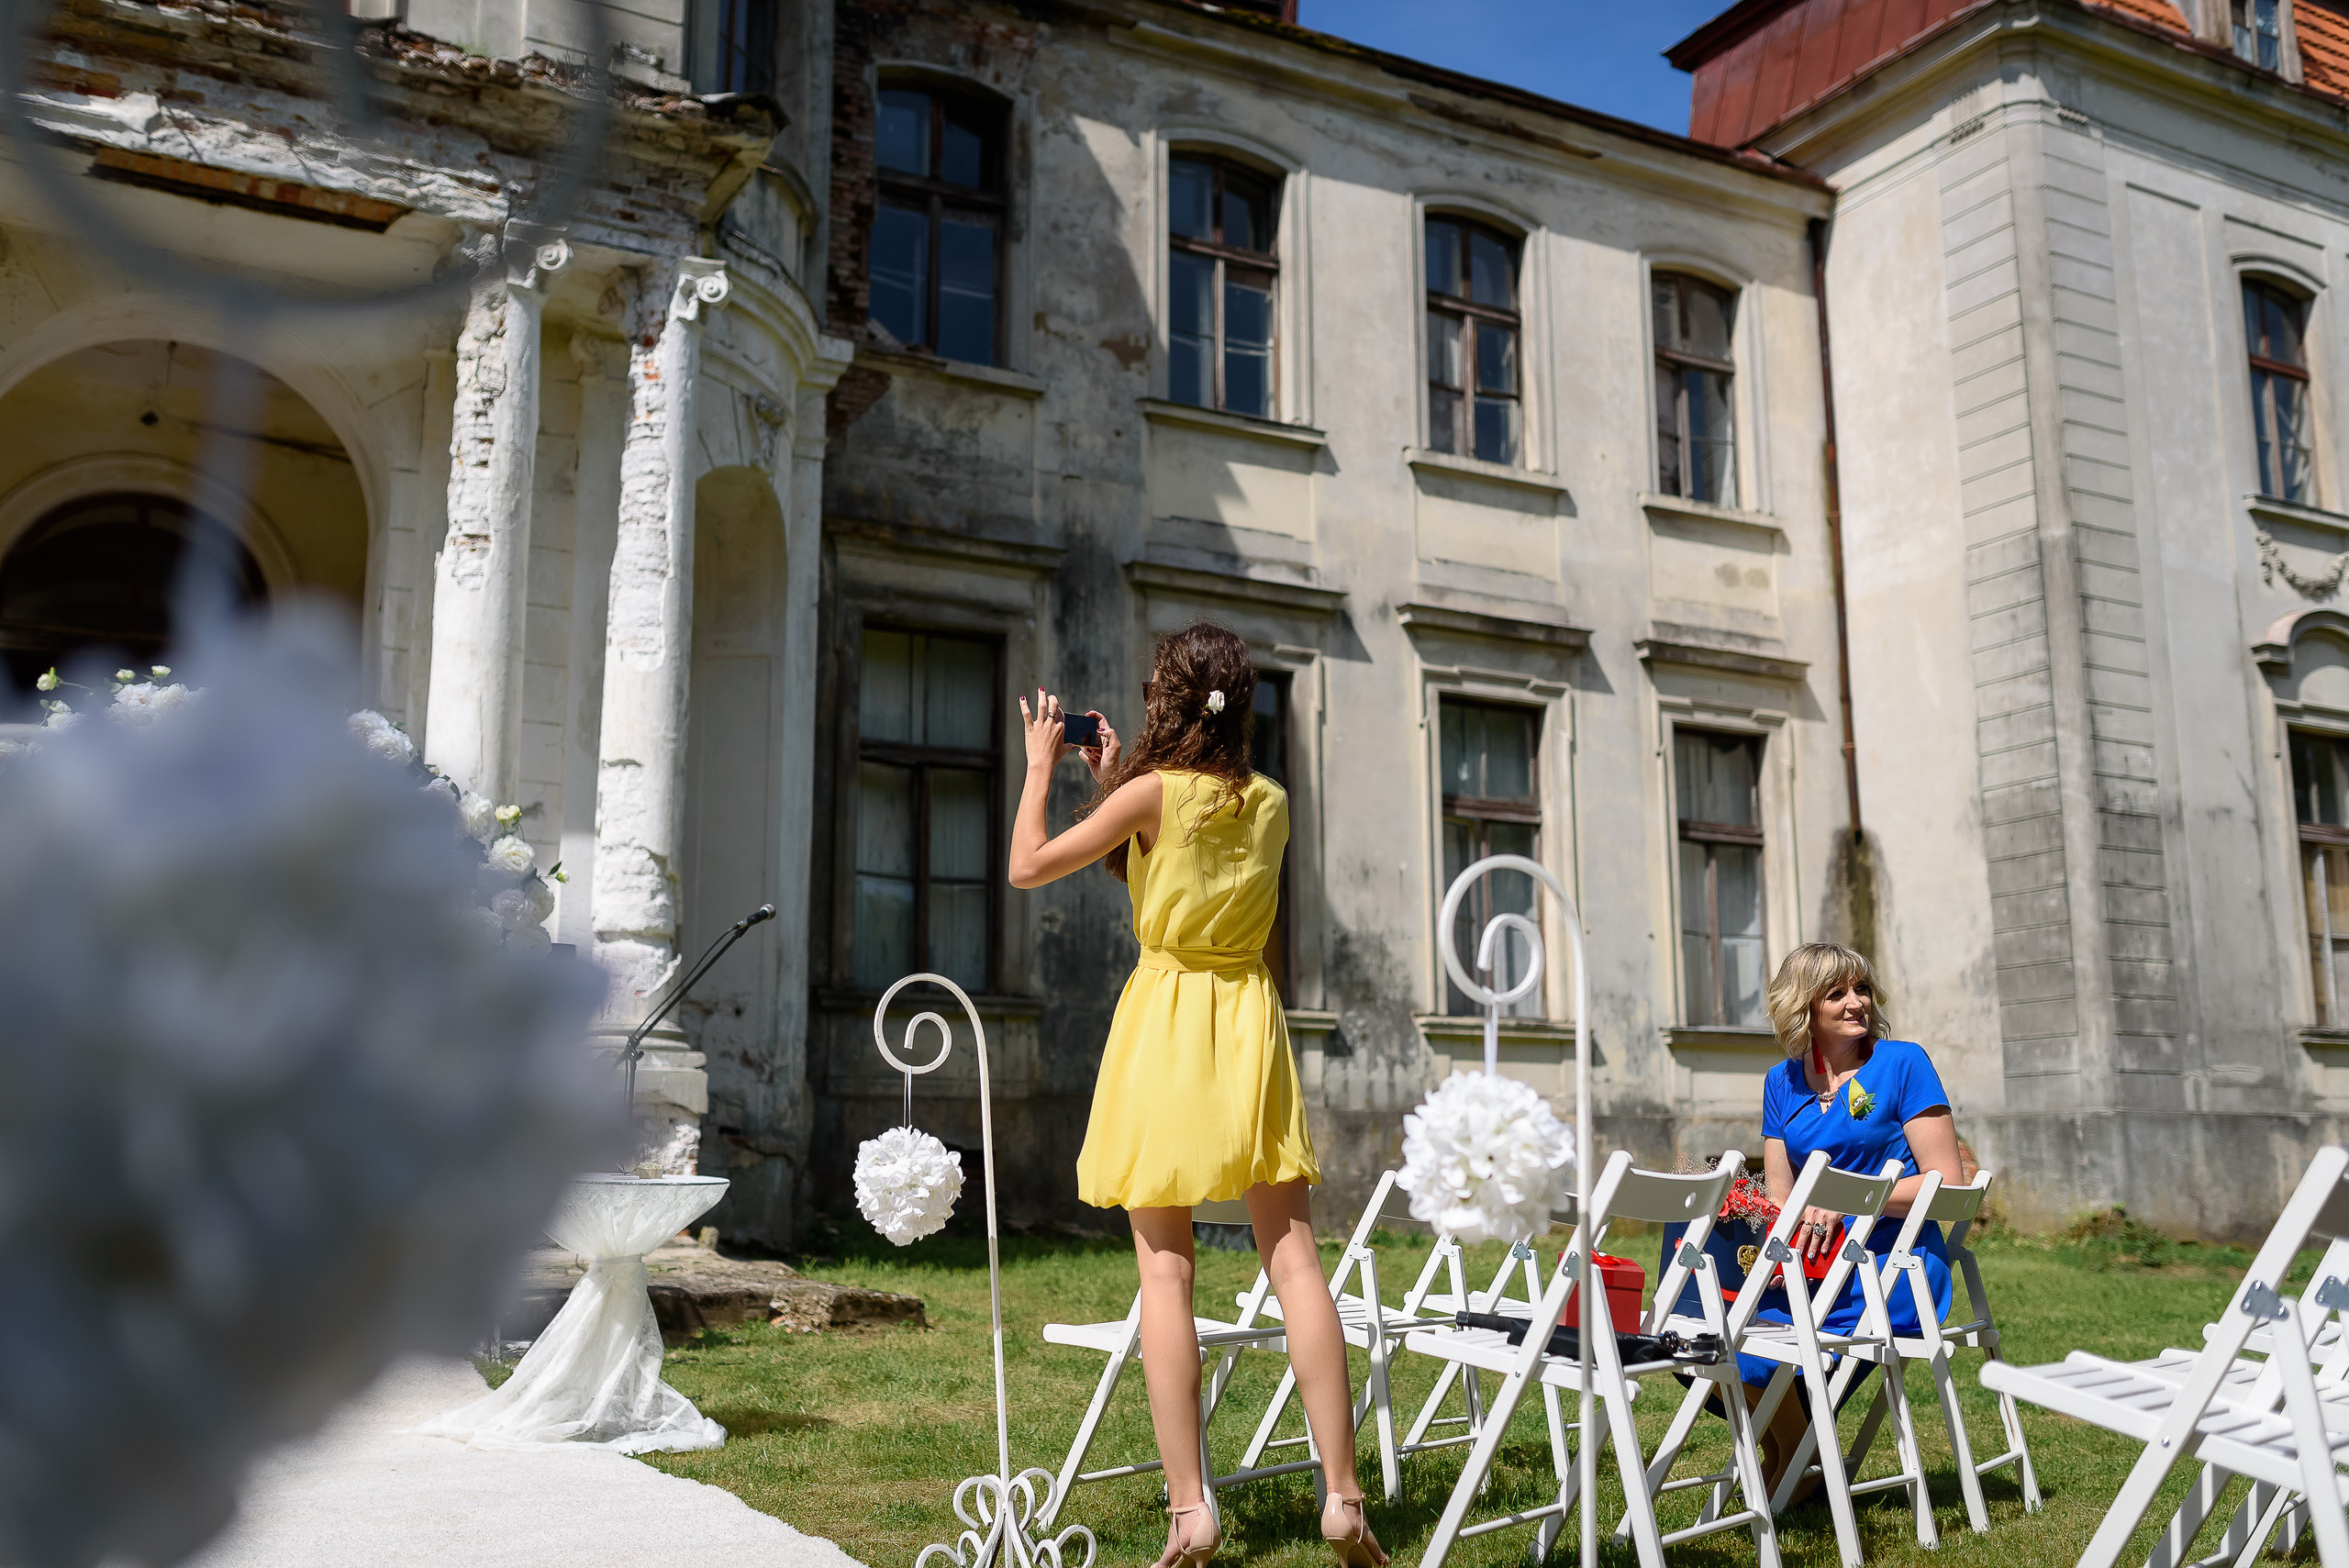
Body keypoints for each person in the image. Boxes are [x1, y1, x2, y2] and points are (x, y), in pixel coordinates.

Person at [1008, 623, 1383, 1568]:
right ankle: (1341, 1494)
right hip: (1250, 1017)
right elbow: (1180, 857)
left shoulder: (1149, 791)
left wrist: (1041, 769)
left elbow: (1029, 865)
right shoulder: (1271, 802)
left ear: (1166, 703)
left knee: (1166, 1270)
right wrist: (1115, 786)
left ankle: (1190, 1509)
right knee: (1294, 1257)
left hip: (1168, 1016)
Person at [1750, 941, 1964, 1497]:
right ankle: (1804, 1461)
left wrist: (1850, 1200)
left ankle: (1792, 1473)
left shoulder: (1903, 1063)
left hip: (1890, 1265)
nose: (1855, 1003)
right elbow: (1781, 1196)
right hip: (1809, 1264)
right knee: (1709, 1339)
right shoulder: (1781, 1082)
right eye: (1836, 993)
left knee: (1757, 1352)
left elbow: (1949, 1185)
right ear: (1804, 1007)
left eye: (1862, 988)